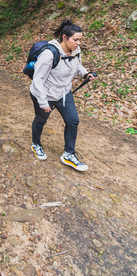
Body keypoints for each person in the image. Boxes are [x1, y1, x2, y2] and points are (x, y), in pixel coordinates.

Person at [29, 19, 96, 171]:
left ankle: (69, 154)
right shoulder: (49, 55)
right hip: (44, 94)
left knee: (73, 120)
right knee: (41, 119)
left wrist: (85, 73)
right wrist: (43, 102)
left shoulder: (76, 51)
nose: (78, 43)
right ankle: (36, 144)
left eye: (80, 39)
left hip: (63, 93)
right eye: (75, 39)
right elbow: (37, 80)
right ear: (65, 38)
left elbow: (77, 64)